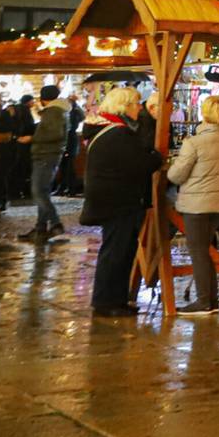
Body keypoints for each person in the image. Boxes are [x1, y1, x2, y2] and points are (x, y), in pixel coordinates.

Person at [82, 86, 163, 316]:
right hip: (118, 201)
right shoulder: (118, 133)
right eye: (136, 104)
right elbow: (138, 165)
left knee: (119, 250)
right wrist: (156, 157)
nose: (140, 108)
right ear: (125, 107)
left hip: (112, 199)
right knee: (116, 252)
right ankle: (107, 302)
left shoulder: (108, 129)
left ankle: (115, 299)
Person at [166, 92, 219, 315]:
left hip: (196, 203)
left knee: (198, 251)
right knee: (204, 249)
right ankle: (211, 299)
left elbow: (176, 175)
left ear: (204, 113)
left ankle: (204, 301)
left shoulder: (194, 143)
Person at [22, 84, 70, 241]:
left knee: (38, 191)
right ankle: (40, 229)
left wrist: (32, 138)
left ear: (43, 98)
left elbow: (55, 134)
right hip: (49, 155)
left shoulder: (53, 111)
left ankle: (56, 224)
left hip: (45, 155)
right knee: (43, 191)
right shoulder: (58, 110)